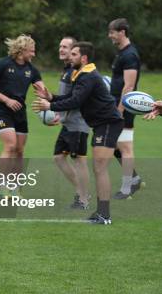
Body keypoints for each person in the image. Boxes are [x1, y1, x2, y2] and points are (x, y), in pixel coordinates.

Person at [33, 41, 123, 225]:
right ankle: (102, 213)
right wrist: (52, 97)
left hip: (108, 123)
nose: (69, 56)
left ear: (83, 58)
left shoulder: (88, 76)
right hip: (101, 125)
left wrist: (50, 105)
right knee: (98, 168)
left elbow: (76, 101)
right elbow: (72, 97)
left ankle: (104, 215)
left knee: (99, 168)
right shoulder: (81, 74)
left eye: (74, 54)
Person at [0, 34, 46, 196]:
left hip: (20, 112)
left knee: (19, 150)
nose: (33, 54)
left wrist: (46, 98)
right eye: (31, 51)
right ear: (22, 50)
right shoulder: (2, 64)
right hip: (2, 110)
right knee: (10, 145)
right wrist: (6, 100)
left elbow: (42, 90)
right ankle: (4, 187)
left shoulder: (32, 69)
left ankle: (15, 187)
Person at [52, 37, 91, 209]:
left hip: (78, 124)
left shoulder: (78, 72)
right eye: (60, 46)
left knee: (79, 161)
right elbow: (67, 97)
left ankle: (83, 199)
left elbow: (75, 100)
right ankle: (82, 192)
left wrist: (52, 105)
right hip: (67, 123)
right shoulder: (67, 70)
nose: (61, 49)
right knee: (59, 158)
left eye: (66, 47)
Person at [107, 18, 144, 199]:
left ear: (122, 32)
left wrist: (120, 109)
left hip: (125, 106)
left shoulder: (130, 55)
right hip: (116, 105)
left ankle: (127, 188)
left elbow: (129, 87)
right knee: (114, 144)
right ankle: (134, 179)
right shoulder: (121, 53)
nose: (110, 36)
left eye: (112, 32)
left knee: (125, 147)